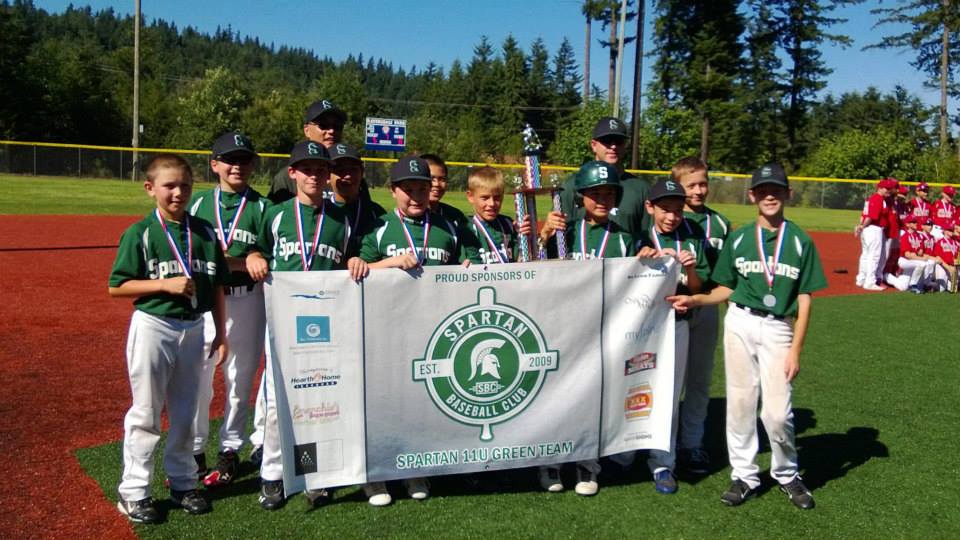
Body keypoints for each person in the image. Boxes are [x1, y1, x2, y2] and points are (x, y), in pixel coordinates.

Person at [668, 163, 827, 510]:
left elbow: (805, 299)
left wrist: (796, 349)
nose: (770, 196)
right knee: (740, 403)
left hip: (778, 327)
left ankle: (786, 472)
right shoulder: (739, 238)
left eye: (777, 190)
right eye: (763, 190)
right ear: (752, 195)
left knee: (776, 413)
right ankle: (744, 474)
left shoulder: (800, 241)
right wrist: (696, 298)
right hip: (740, 321)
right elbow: (725, 287)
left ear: (788, 194)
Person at [248, 141, 386, 468]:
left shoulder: (342, 221)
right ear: (292, 173)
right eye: (306, 169)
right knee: (278, 394)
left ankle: (317, 469)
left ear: (329, 176)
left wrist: (357, 261)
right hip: (284, 317)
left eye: (320, 170)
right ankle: (272, 471)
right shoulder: (276, 214)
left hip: (327, 317)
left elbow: (355, 257)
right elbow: (258, 248)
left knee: (323, 396)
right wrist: (253, 255)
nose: (314, 176)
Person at [108, 154, 229, 523]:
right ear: (151, 189)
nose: (178, 193)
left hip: (194, 326)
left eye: (185, 185)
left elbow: (219, 286)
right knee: (146, 410)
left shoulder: (205, 232)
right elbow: (117, 286)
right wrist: (163, 284)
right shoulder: (141, 232)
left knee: (187, 410)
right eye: (169, 185)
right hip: (154, 325)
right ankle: (134, 491)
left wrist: (221, 333)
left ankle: (181, 481)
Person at [357, 155, 466, 504]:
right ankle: (375, 475)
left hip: (435, 332)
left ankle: (413, 467)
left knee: (420, 403)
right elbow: (359, 268)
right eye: (408, 189)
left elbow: (471, 263)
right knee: (382, 402)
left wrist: (468, 268)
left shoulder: (448, 226)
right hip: (386, 331)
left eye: (422, 188)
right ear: (393, 191)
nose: (416, 195)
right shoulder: (380, 227)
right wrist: (389, 262)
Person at [536, 160, 636, 496]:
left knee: (594, 401)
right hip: (562, 329)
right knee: (554, 398)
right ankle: (550, 463)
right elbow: (531, 266)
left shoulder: (624, 239)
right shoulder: (565, 230)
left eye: (609, 192)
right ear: (582, 196)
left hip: (602, 332)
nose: (603, 199)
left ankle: (587, 464)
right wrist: (544, 233)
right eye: (595, 193)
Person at [187, 132, 271, 488]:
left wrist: (254, 256)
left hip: (248, 300)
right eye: (230, 159)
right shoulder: (198, 206)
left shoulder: (264, 208)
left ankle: (230, 448)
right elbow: (191, 256)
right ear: (215, 164)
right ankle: (193, 450)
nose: (238, 166)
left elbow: (271, 257)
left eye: (245, 159)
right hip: (205, 302)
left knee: (238, 380)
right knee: (198, 381)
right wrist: (241, 259)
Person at [635, 178, 708, 494]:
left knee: (669, 393)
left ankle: (663, 462)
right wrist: (640, 258)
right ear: (650, 207)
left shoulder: (690, 237)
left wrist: (690, 269)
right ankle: (624, 453)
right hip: (637, 326)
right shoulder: (637, 237)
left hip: (676, 324)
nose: (671, 216)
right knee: (632, 388)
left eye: (678, 210)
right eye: (665, 209)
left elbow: (697, 288)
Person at [671, 157, 731, 476]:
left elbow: (726, 274)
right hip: (671, 307)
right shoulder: (667, 217)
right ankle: (662, 444)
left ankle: (691, 443)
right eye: (691, 185)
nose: (699, 190)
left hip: (705, 303)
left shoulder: (719, 224)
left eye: (703, 183)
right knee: (669, 379)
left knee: (699, 379)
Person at [558, 117, 651, 238]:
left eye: (619, 141)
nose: (613, 146)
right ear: (594, 145)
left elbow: (648, 237)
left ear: (625, 145)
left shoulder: (641, 189)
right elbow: (559, 233)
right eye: (607, 141)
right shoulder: (572, 185)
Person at [267, 99, 347, 204]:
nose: (331, 131)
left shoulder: (350, 173)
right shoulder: (288, 176)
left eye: (337, 127)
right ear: (307, 130)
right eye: (323, 125)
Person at [459, 165, 531, 264]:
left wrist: (525, 239)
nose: (492, 204)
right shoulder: (465, 227)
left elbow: (521, 261)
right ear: (470, 196)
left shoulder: (508, 224)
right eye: (485, 198)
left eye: (497, 198)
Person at [855, 179, 893, 291]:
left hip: (868, 229)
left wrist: (861, 226)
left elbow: (864, 215)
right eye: (887, 188)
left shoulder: (872, 198)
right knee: (873, 257)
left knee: (866, 255)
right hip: (873, 229)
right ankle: (869, 282)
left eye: (890, 188)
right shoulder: (878, 199)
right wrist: (862, 226)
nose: (889, 191)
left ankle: (861, 279)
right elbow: (871, 216)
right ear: (880, 188)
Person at [422, 153, 468, 228]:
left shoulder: (455, 216)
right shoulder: (407, 217)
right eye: (431, 178)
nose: (437, 184)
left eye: (442, 179)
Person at [893, 215, 936, 294]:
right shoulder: (905, 236)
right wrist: (920, 257)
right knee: (922, 264)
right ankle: (913, 285)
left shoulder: (919, 236)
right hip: (905, 261)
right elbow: (907, 255)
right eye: (913, 222)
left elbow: (920, 252)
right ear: (907, 224)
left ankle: (887, 276)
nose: (916, 223)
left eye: (916, 222)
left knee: (903, 287)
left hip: (913, 261)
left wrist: (918, 253)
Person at [933, 225, 959, 292]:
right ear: (944, 231)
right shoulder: (940, 242)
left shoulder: (955, 242)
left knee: (953, 289)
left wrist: (956, 264)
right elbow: (938, 258)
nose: (951, 231)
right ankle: (930, 285)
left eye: (952, 230)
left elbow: (957, 257)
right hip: (942, 266)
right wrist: (948, 267)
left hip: (952, 266)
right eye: (949, 230)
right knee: (941, 289)